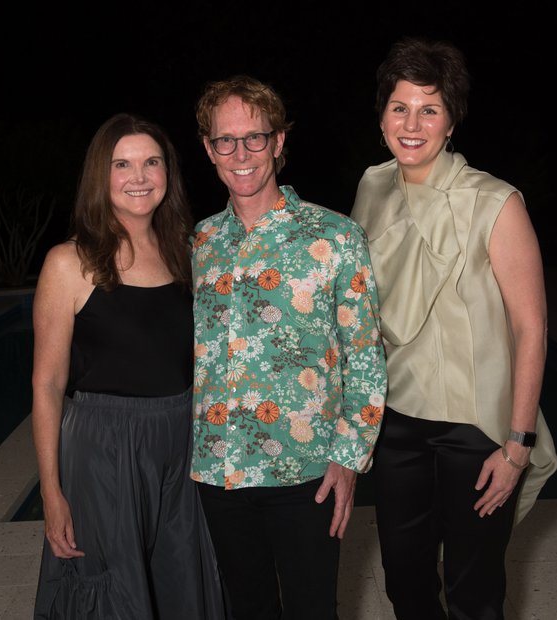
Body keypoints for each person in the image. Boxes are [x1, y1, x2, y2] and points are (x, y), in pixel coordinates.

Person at [350, 36, 557, 619]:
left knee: (473, 591)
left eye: (429, 108)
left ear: (451, 121)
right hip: (397, 425)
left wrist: (516, 445)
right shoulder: (371, 187)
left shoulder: (495, 201)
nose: (412, 123)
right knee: (405, 580)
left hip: (476, 431)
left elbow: (532, 327)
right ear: (383, 114)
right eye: (400, 106)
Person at [190, 74, 388, 620]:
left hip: (306, 474)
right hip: (219, 471)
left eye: (255, 137)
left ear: (279, 141)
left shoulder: (335, 236)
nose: (241, 153)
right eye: (225, 140)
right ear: (209, 149)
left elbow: (366, 357)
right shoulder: (199, 242)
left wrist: (349, 459)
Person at [31, 112, 227, 619]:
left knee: (183, 581)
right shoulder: (69, 262)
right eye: (123, 164)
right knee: (110, 592)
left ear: (168, 172)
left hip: (180, 442)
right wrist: (51, 494)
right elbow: (47, 384)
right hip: (104, 448)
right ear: (102, 175)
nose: (139, 177)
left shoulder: (186, 253)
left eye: (151, 162)